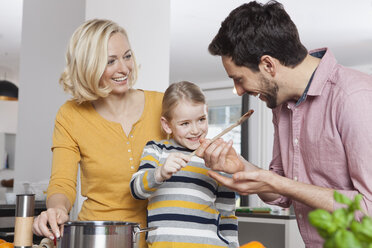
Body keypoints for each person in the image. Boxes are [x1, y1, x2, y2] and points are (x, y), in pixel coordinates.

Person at [195, 1, 372, 247]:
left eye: (239, 79)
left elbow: (369, 208)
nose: (238, 91)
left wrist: (280, 183)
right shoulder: (281, 106)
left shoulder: (355, 97)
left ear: (268, 65)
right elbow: (280, 194)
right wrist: (240, 166)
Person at [32, 19, 165, 248]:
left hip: (160, 236)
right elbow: (62, 182)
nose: (124, 68)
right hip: (97, 239)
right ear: (89, 65)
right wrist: (56, 210)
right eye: (110, 61)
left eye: (127, 56)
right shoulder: (71, 114)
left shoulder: (163, 104)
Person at [130, 81, 239, 248]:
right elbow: (136, 190)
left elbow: (227, 213)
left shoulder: (215, 157)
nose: (195, 130)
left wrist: (233, 245)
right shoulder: (156, 150)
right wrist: (159, 173)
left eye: (201, 119)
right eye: (185, 123)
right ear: (167, 125)